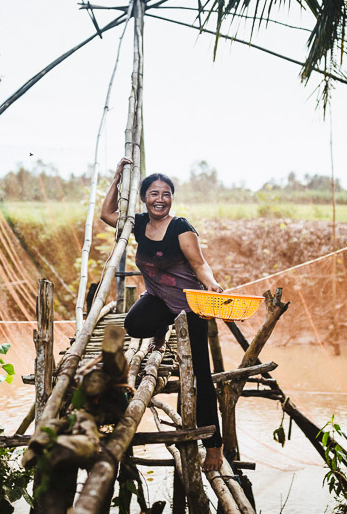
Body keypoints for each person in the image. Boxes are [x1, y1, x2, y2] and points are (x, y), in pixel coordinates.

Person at [100, 157, 224, 472]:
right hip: (157, 298)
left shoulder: (181, 228)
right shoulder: (138, 224)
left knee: (200, 375)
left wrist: (211, 283)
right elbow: (106, 214)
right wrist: (117, 178)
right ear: (144, 198)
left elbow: (199, 265)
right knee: (133, 323)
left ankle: (214, 446)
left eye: (166, 193)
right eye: (154, 193)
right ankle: (161, 329)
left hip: (189, 307)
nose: (160, 199)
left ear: (172, 197)